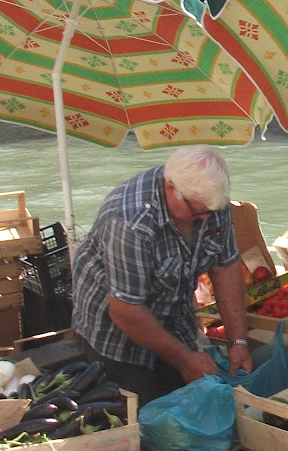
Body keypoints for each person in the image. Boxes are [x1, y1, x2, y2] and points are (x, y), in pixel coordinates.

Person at [70, 145, 253, 404]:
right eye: (197, 211)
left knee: (185, 397)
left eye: (210, 212)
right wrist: (185, 360)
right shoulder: (129, 222)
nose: (205, 219)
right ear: (170, 188)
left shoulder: (208, 200)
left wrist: (238, 340)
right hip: (117, 331)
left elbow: (225, 266)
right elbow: (125, 309)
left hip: (173, 315)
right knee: (143, 408)